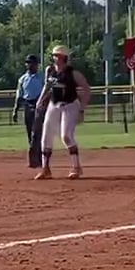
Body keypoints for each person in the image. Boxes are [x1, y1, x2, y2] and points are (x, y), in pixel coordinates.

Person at [36, 44, 92, 180]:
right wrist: (40, 99)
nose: (56, 58)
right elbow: (47, 86)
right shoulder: (50, 70)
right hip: (54, 104)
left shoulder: (73, 73)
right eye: (55, 56)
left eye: (58, 56)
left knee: (66, 136)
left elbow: (86, 89)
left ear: (64, 58)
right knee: (46, 136)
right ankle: (45, 168)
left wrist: (82, 108)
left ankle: (76, 167)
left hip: (70, 105)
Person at [13, 53, 45, 169]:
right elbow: (19, 95)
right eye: (29, 63)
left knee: (38, 133)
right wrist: (15, 110)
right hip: (28, 105)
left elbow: (48, 91)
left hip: (39, 105)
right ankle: (34, 159)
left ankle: (40, 159)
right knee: (30, 133)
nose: (31, 65)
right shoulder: (22, 79)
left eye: (33, 63)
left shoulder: (42, 77)